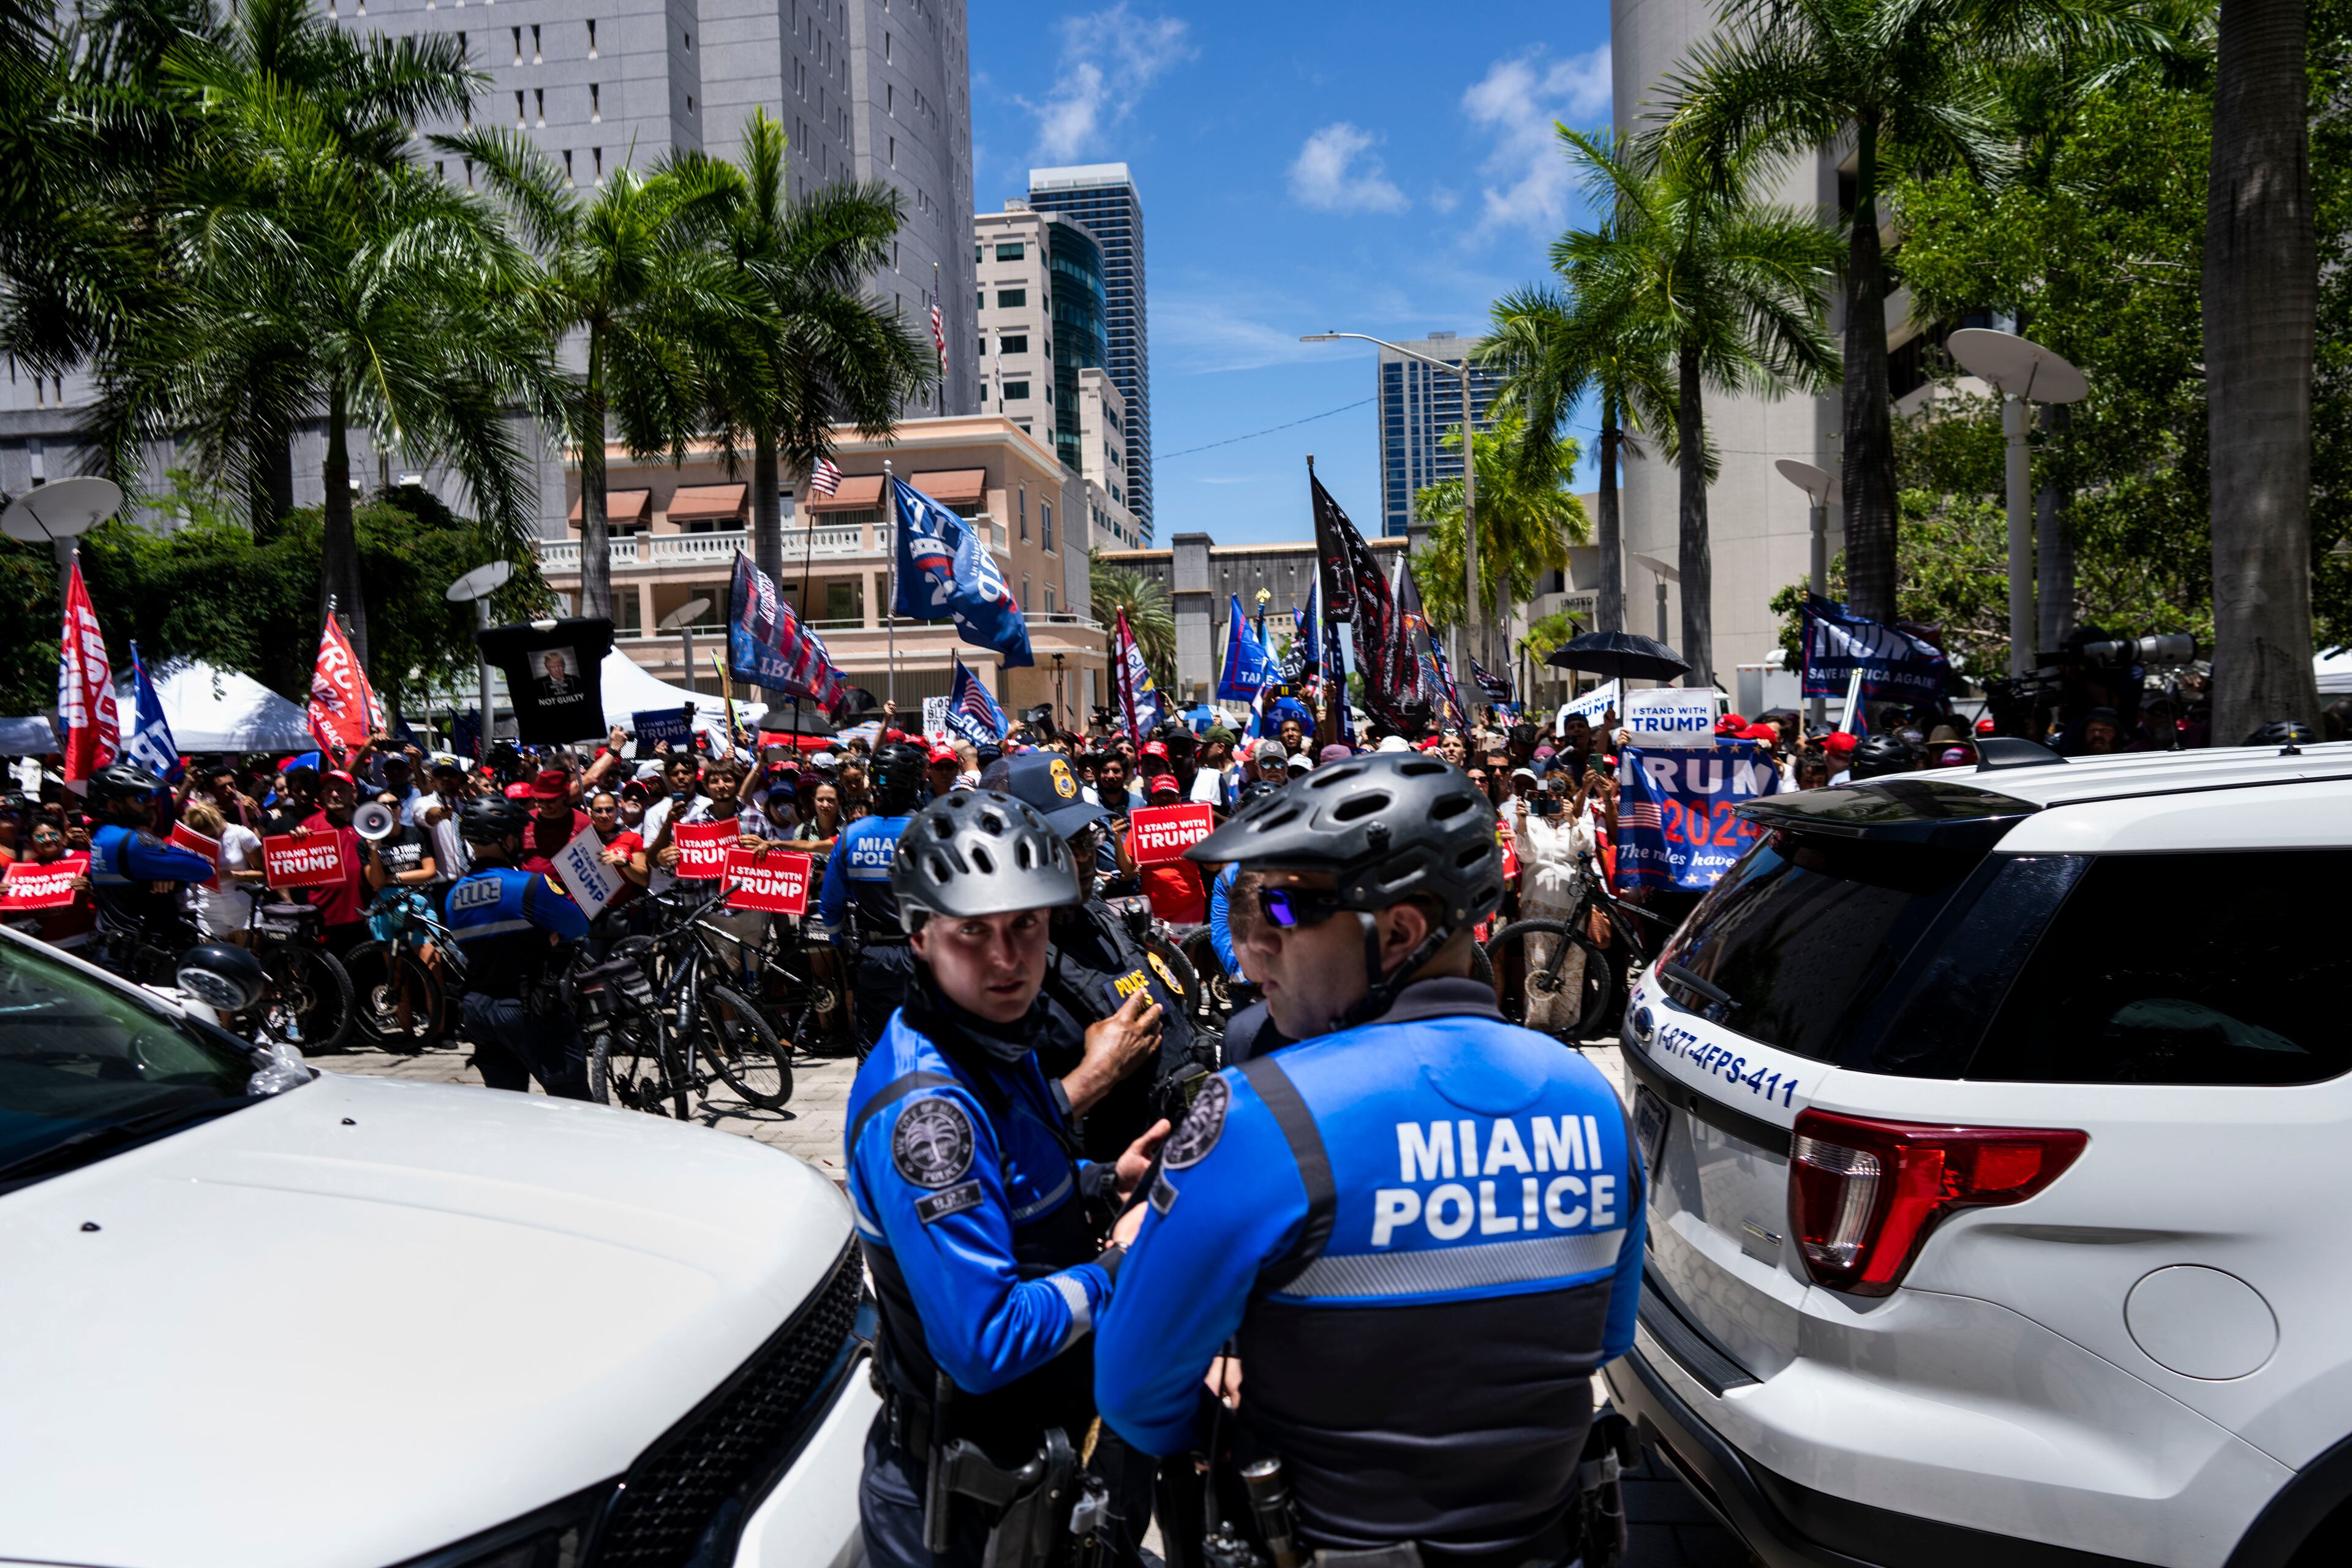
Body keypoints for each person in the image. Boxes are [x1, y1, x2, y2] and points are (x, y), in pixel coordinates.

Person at [1094, 753, 1644, 1568]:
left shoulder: (1259, 1114)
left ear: (1398, 933)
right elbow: (1604, 1336)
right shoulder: (1591, 1100)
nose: (1252, 950)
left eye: (1282, 909)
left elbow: (1135, 1396)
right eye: (1248, 918)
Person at [846, 790, 1168, 1568]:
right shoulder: (929, 1113)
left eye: (1026, 924)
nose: (1006, 958)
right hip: (969, 1511)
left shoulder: (982, 1030)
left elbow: (1012, 1167)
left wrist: (1096, 1181)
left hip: (1038, 1469)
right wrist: (1116, 1267)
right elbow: (983, 1340)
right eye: (973, 932)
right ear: (920, 937)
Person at [982, 751, 1204, 1162]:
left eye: (1087, 838)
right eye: (1064, 844)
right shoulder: (998, 972)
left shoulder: (1103, 919)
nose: (1084, 857)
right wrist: (1095, 1077)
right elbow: (995, 1135)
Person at [443, 796, 592, 1098]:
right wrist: (546, 936)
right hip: (528, 1008)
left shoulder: (454, 894)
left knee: (507, 1105)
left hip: (478, 1009)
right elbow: (578, 926)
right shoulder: (529, 885)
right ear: (508, 839)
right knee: (574, 1102)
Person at [815, 741, 928, 1055]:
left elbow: (831, 906)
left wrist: (842, 948)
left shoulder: (853, 834)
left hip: (872, 957)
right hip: (924, 956)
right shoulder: (932, 831)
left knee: (873, 1053)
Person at [84, 763, 216, 960]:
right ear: (113, 805)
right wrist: (174, 878)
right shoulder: (133, 842)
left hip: (113, 949)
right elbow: (203, 869)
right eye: (141, 797)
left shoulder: (102, 836)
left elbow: (132, 881)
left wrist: (171, 879)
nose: (152, 803)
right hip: (137, 959)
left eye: (150, 796)